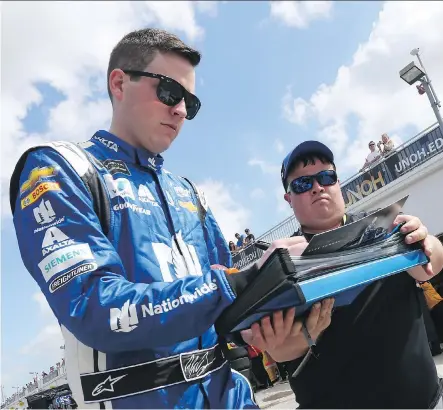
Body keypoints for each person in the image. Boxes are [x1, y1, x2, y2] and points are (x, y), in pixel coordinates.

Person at [9, 27, 281, 409]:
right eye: (170, 92)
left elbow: (231, 310)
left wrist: (292, 283)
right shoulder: (58, 169)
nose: (182, 110)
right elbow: (95, 307)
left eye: (191, 102)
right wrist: (234, 284)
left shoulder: (189, 192)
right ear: (119, 83)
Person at [242, 140, 443, 408]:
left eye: (326, 177)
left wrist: (426, 242)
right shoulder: (284, 261)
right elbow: (278, 350)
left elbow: (429, 266)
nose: (317, 187)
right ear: (289, 198)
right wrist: (308, 334)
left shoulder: (382, 227)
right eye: (303, 184)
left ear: (338, 183)